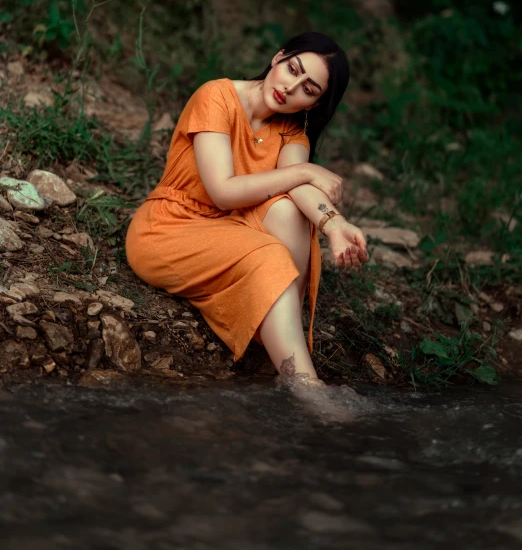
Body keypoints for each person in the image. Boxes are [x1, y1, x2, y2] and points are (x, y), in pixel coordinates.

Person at [126, 32, 369, 388]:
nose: (292, 87)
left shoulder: (291, 132)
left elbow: (297, 190)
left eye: (309, 89)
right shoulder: (217, 96)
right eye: (293, 69)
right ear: (278, 58)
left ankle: (279, 340)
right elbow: (223, 192)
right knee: (271, 254)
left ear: (313, 105)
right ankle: (307, 386)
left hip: (227, 229)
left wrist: (334, 224)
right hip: (168, 228)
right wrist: (303, 170)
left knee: (289, 211)